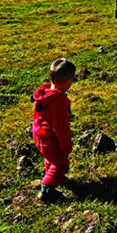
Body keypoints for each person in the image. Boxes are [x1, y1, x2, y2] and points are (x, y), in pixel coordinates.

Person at [31, 58, 76, 204]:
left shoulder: (44, 94)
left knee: (50, 158)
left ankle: (54, 177)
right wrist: (66, 146)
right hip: (49, 138)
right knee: (61, 163)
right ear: (68, 81)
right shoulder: (59, 102)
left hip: (38, 134)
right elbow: (61, 127)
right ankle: (47, 189)